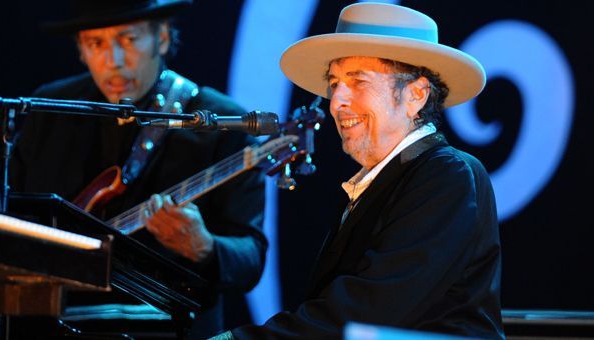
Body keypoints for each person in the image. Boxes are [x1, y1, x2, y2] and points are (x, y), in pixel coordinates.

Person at [215, 3, 504, 339]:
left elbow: (369, 309)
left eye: (358, 81)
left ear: (416, 95)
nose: (337, 101)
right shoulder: (382, 181)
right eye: (334, 83)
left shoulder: (447, 175)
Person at [7, 0, 266, 338]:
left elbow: (250, 258)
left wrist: (205, 247)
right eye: (95, 44)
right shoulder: (50, 109)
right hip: (49, 325)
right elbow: (5, 212)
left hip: (166, 330)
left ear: (161, 38)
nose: (112, 61)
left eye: (128, 40)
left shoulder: (222, 123)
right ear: (81, 50)